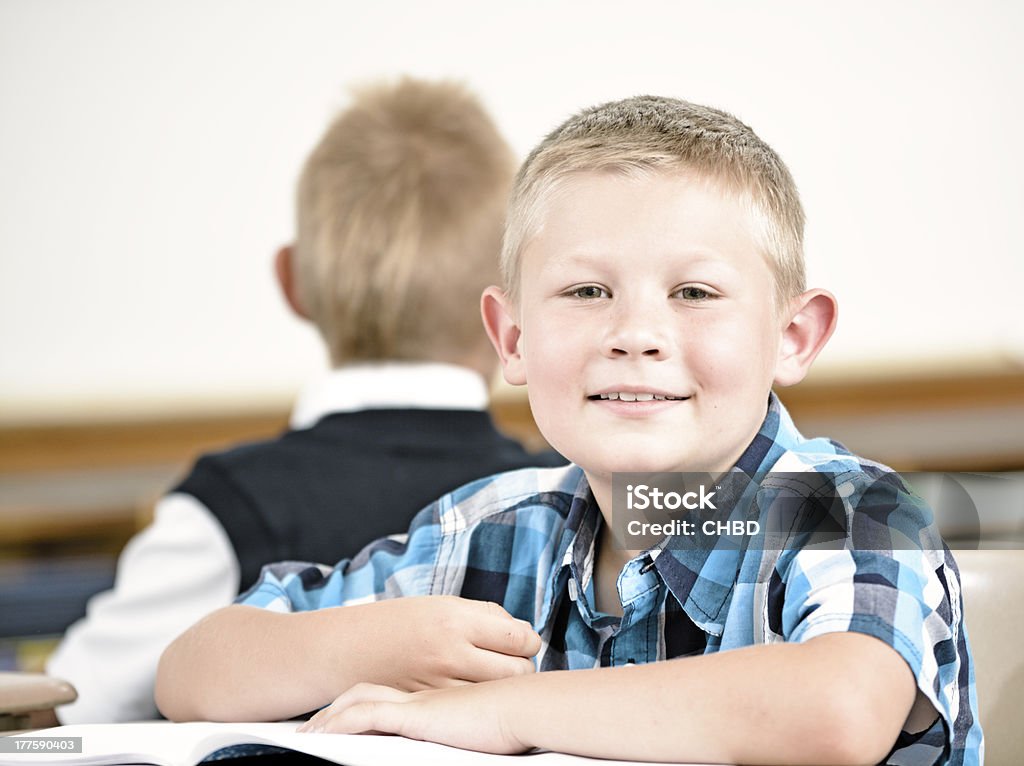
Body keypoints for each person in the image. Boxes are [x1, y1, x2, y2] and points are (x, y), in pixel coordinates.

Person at [154, 96, 982, 766]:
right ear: (510, 339)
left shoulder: (852, 512)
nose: (635, 333)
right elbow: (192, 675)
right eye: (586, 293)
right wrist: (360, 642)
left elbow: (834, 715)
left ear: (794, 338)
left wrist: (503, 711)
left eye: (694, 293)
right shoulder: (487, 530)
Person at [46, 77, 563, 724]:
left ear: (292, 283)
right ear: (510, 311)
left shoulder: (223, 507)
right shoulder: (558, 498)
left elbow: (66, 712)